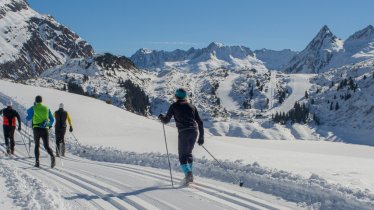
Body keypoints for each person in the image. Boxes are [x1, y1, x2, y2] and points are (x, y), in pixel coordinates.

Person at [158, 88, 204, 186]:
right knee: (188, 153)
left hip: (184, 132)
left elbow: (166, 120)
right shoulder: (192, 106)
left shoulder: (174, 106)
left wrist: (161, 117)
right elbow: (200, 122)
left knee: (182, 155)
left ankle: (188, 174)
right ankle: (189, 174)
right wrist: (201, 137)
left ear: (176, 96)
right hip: (194, 131)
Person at [26, 95, 55, 168]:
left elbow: (28, 117)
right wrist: (49, 125)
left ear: (35, 101)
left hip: (36, 129)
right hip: (45, 129)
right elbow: (52, 119)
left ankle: (37, 162)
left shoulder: (33, 108)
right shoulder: (47, 108)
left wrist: (33, 107)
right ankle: (52, 157)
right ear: (42, 101)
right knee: (46, 146)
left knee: (37, 145)